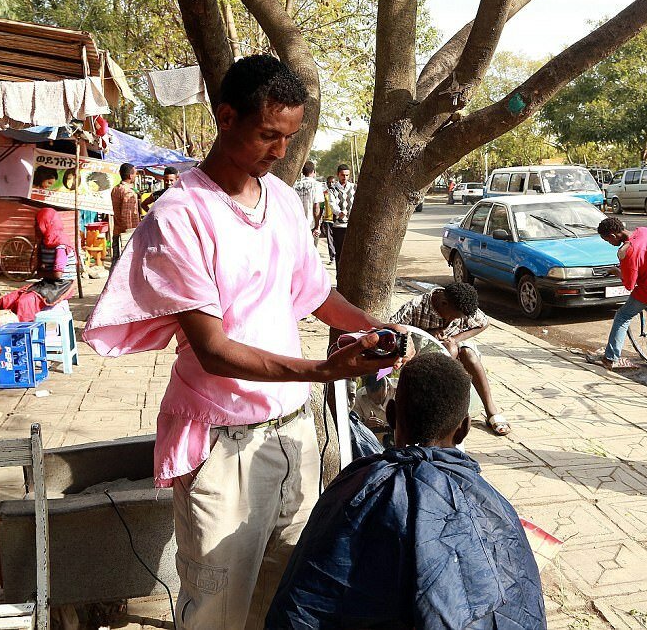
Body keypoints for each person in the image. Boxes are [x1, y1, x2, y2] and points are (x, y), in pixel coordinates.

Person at [82, 54, 407, 630]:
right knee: (216, 607)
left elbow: (312, 293)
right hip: (223, 447)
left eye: (289, 137)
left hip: (293, 438)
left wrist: (371, 328)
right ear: (225, 116)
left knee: (285, 594)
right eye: (267, 135)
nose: (280, 151)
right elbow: (213, 349)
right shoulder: (181, 215)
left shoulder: (281, 199)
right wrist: (323, 371)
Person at [266, 353, 547, 629]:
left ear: (391, 415)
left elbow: (308, 601)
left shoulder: (355, 488)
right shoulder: (491, 505)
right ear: (463, 430)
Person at [390, 282, 511, 435]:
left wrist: (456, 338)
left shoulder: (463, 305)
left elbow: (484, 323)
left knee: (469, 355)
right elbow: (394, 329)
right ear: (443, 303)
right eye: (454, 316)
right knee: (447, 354)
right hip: (426, 355)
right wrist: (428, 333)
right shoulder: (416, 307)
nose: (453, 320)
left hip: (456, 346)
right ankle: (443, 413)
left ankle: (490, 410)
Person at [591, 216, 647, 370]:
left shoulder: (626, 251)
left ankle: (610, 358)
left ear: (613, 235)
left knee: (622, 316)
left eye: (607, 241)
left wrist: (616, 271)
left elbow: (629, 284)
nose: (609, 244)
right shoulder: (645, 231)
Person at [0, 208, 77, 322]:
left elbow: (57, 274)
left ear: (47, 224)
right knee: (7, 300)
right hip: (48, 282)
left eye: (37, 224)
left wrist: (42, 272)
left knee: (24, 303)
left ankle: (24, 334)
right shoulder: (44, 242)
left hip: (62, 284)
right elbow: (34, 269)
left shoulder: (60, 244)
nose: (35, 227)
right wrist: (37, 245)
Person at [111, 162, 140, 263]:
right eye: (135, 173)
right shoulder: (128, 192)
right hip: (126, 235)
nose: (136, 176)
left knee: (116, 262)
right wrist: (130, 236)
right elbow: (127, 216)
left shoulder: (116, 189)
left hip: (117, 231)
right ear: (130, 175)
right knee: (125, 264)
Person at [330, 163, 355, 269]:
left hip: (352, 226)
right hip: (338, 227)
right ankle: (339, 277)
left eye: (347, 175)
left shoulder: (354, 187)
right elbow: (332, 204)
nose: (345, 177)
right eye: (342, 175)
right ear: (338, 175)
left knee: (352, 254)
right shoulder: (333, 189)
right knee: (339, 253)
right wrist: (339, 213)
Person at [293, 161, 323, 245]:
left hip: (297, 224)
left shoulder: (295, 185)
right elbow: (316, 207)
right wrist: (317, 226)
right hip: (311, 225)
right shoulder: (316, 185)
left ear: (302, 172)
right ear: (314, 172)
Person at [319, 175, 337, 264]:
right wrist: (319, 220)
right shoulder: (324, 194)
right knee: (330, 240)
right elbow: (321, 207)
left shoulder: (338, 192)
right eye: (329, 182)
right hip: (327, 220)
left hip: (338, 221)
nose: (331, 184)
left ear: (335, 182)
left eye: (332, 182)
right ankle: (332, 257)